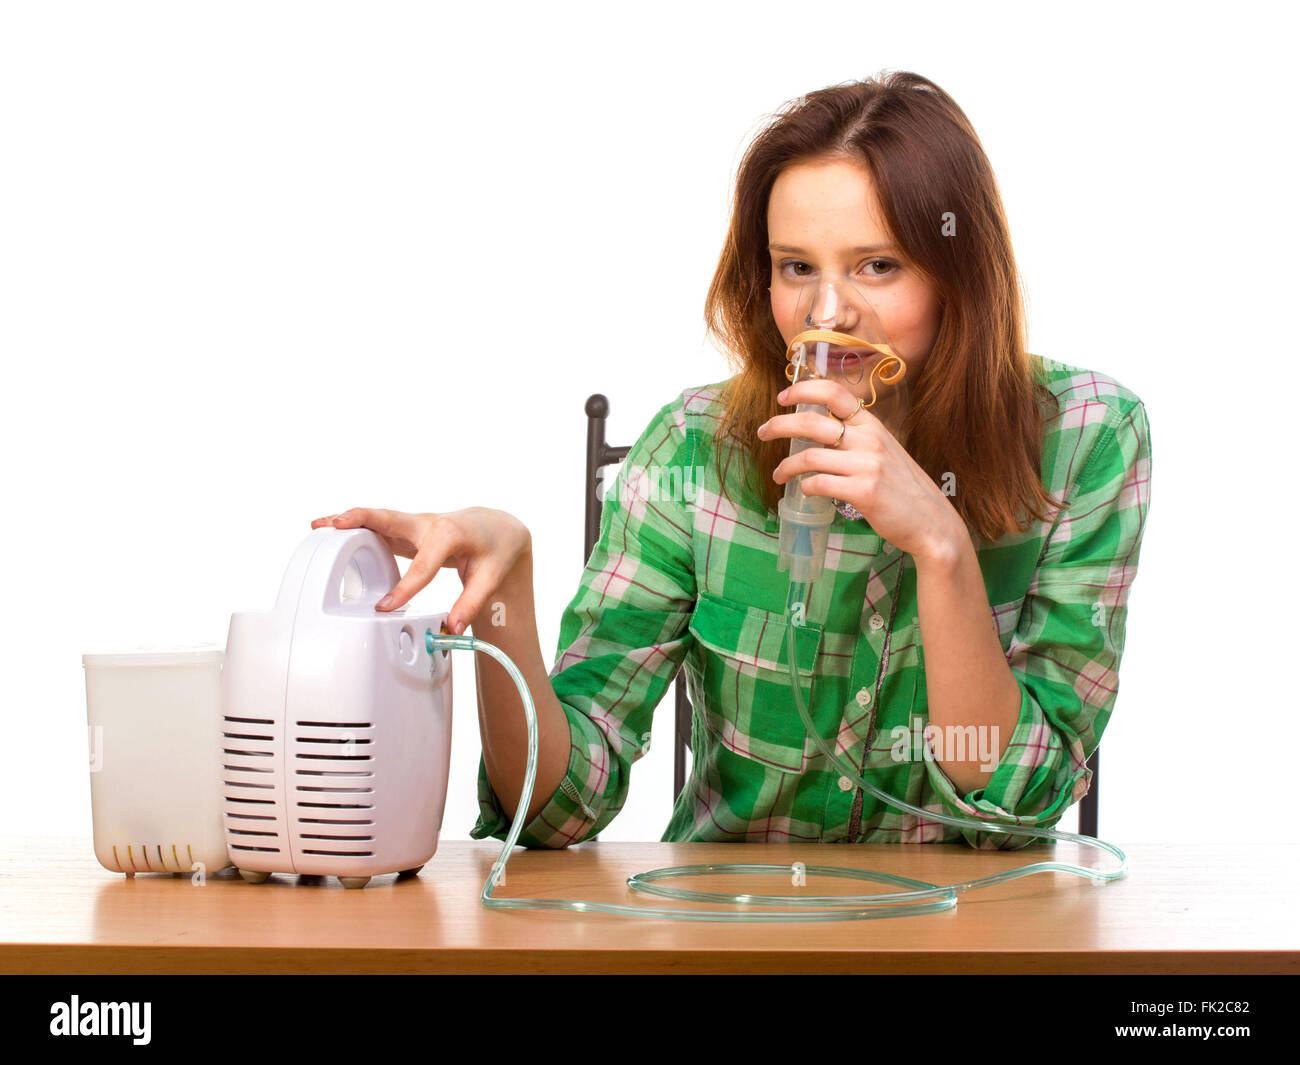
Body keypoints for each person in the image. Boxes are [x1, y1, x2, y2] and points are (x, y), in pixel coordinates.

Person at [311, 71, 1151, 851]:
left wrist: (941, 545)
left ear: (960, 275)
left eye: (879, 265)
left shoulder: (1084, 436)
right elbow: (556, 806)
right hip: (738, 934)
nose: (829, 311)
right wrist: (507, 596)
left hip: (973, 942)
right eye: (797, 268)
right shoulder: (693, 449)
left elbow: (1023, 797)